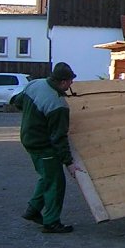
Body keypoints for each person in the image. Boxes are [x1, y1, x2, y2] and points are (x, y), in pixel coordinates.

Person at [14, 62, 82, 234]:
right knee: (56, 182)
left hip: (28, 139)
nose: (71, 84)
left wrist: (34, 117)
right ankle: (51, 222)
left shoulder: (35, 84)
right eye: (70, 81)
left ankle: (33, 210)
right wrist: (69, 163)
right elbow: (59, 138)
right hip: (42, 145)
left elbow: (18, 102)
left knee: (46, 176)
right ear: (63, 82)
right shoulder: (57, 104)